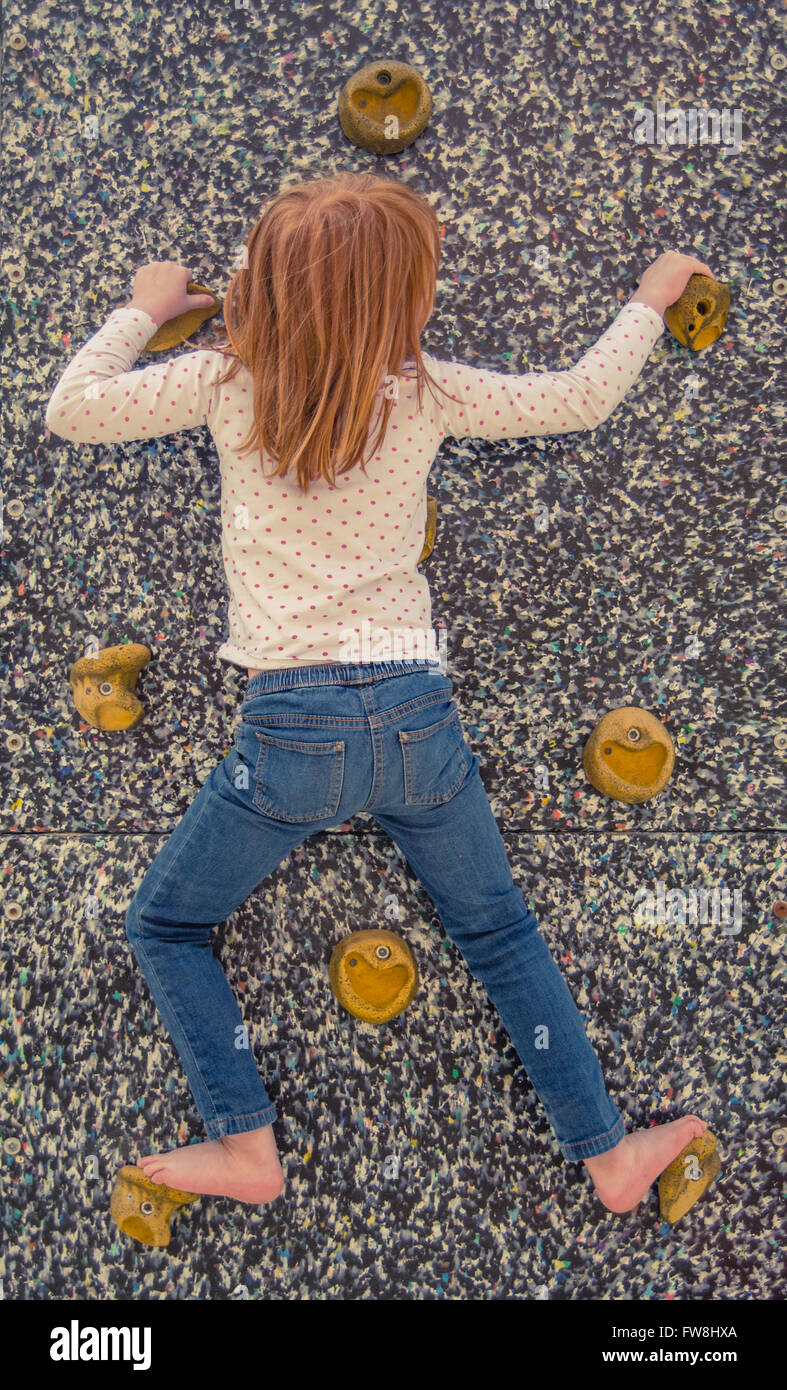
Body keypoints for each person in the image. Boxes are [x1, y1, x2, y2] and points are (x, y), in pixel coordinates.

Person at [45, 171, 711, 1213]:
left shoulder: (223, 381)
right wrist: (650, 295)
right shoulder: (428, 388)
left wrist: (142, 301)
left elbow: (71, 411)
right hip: (416, 722)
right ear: (402, 299)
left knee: (168, 925)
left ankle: (246, 1143)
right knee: (497, 932)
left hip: (291, 740)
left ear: (259, 287)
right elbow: (580, 397)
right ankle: (608, 1153)